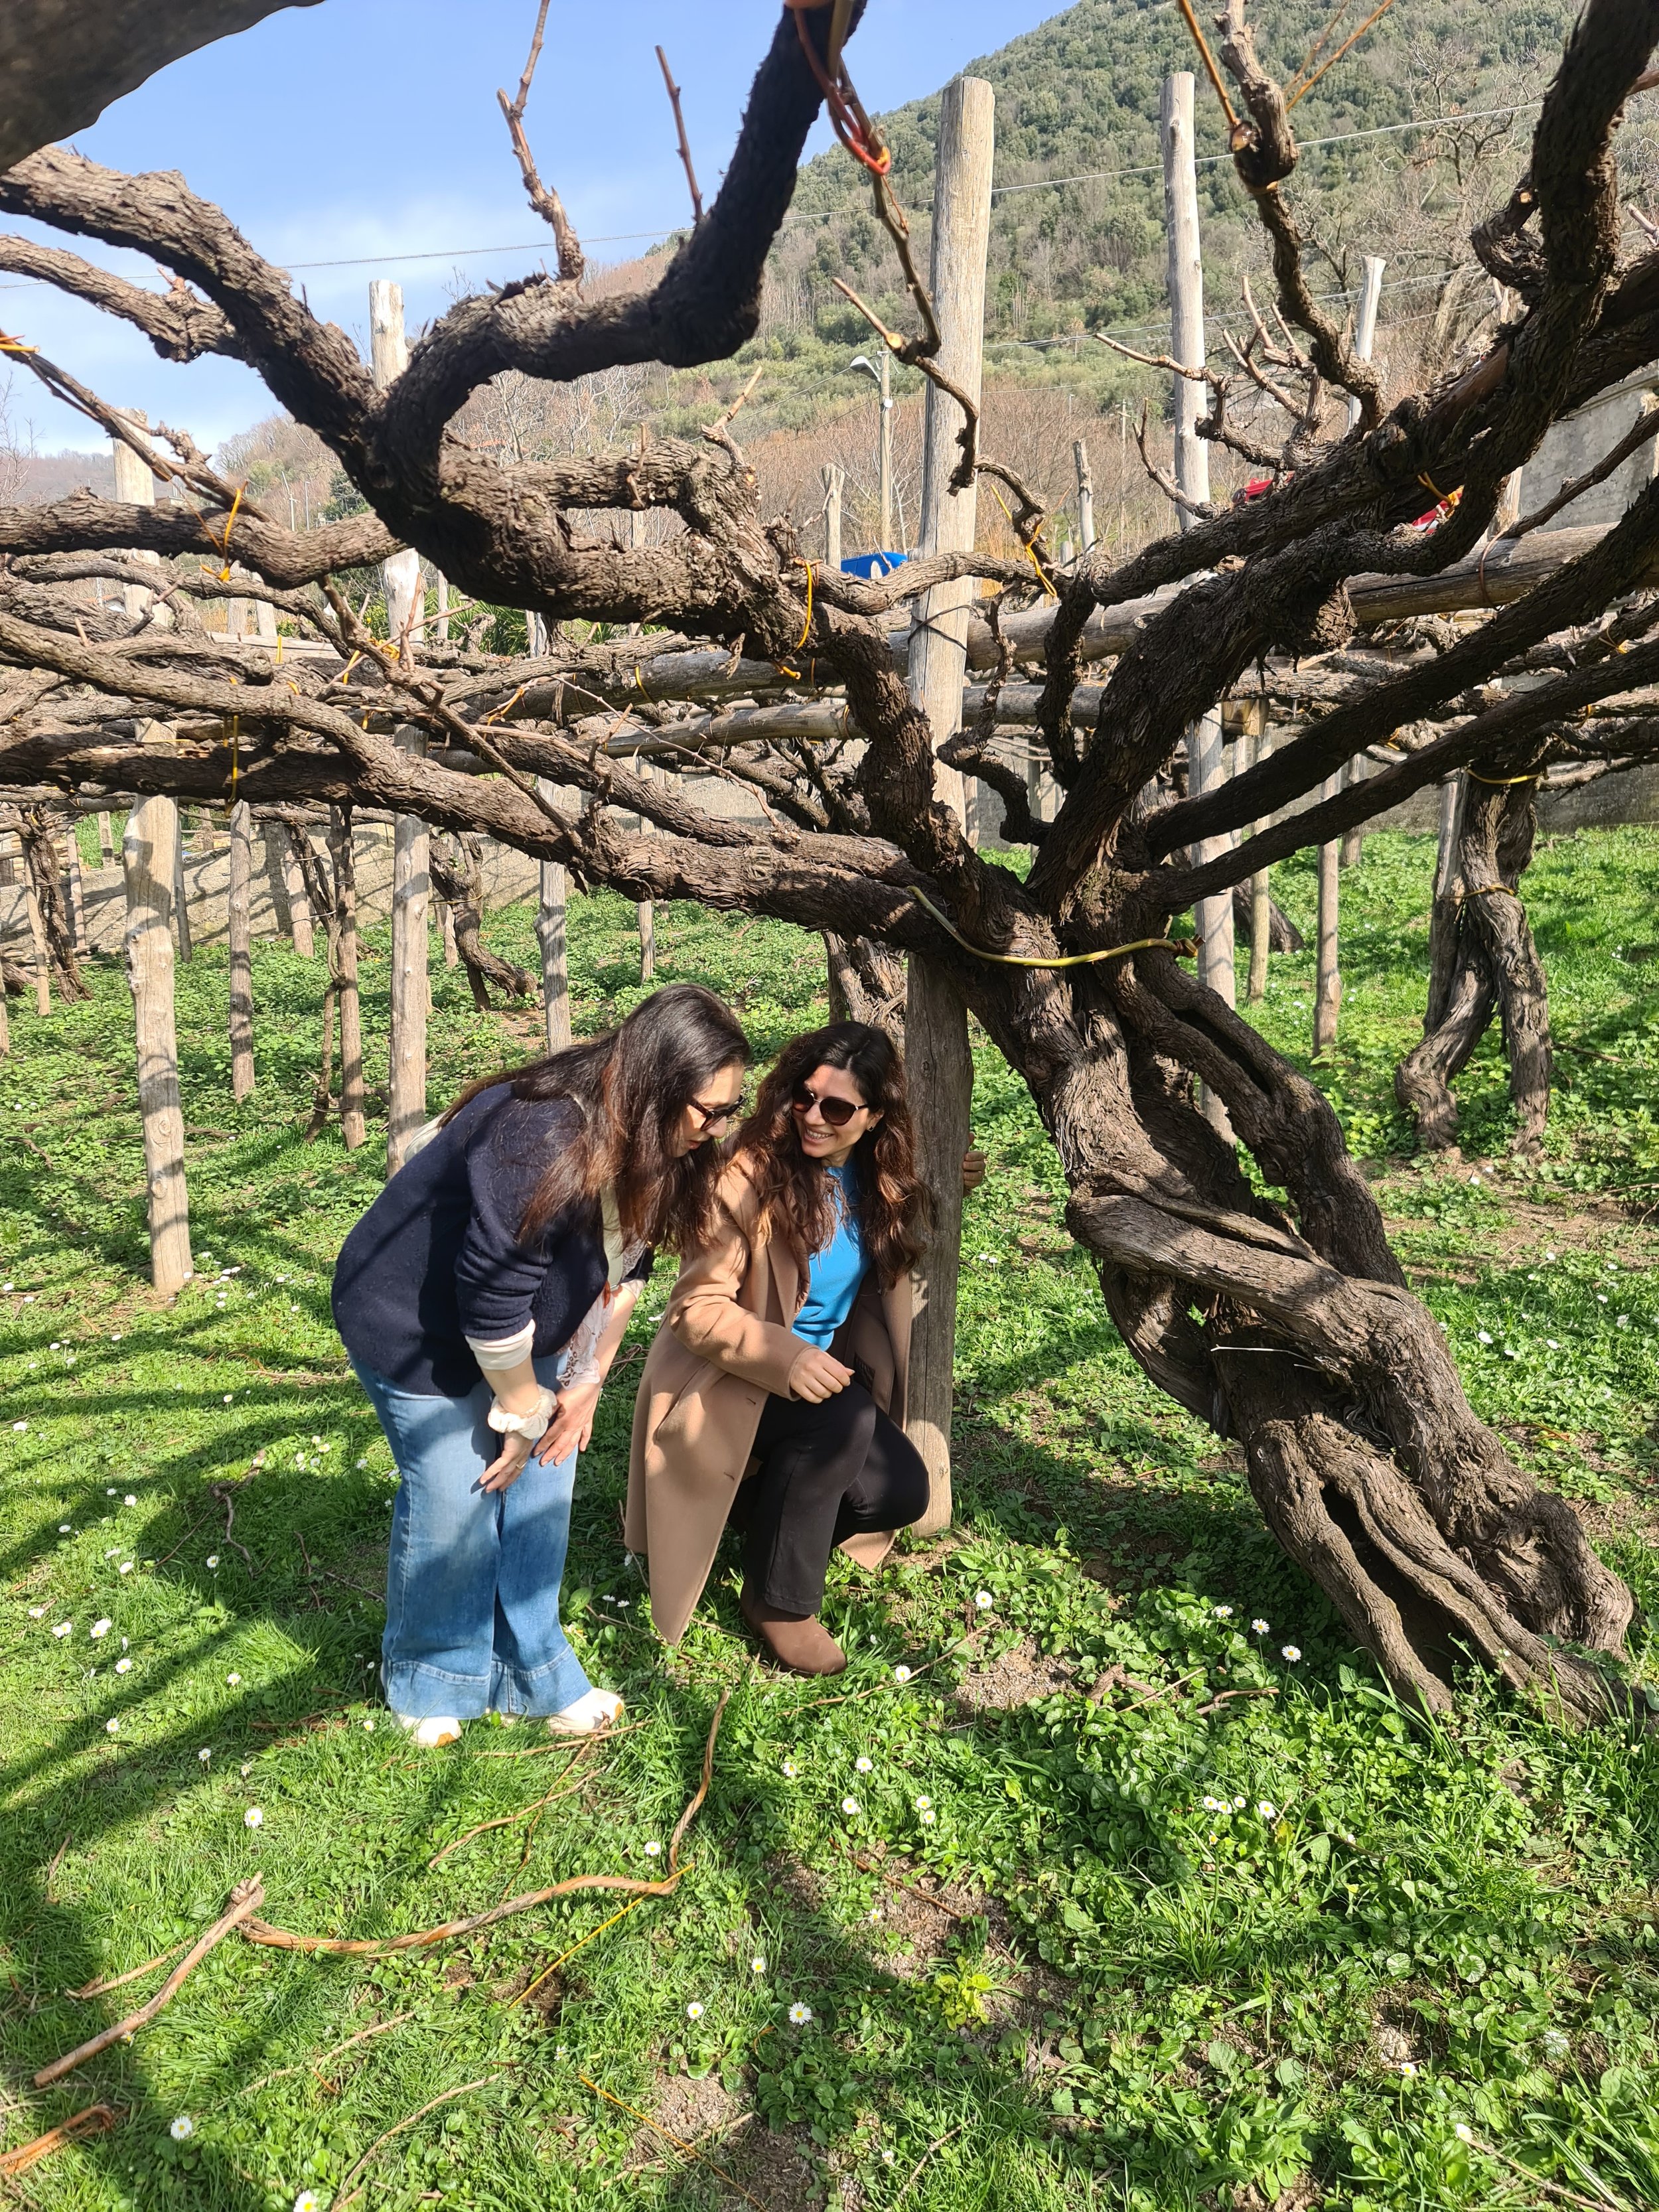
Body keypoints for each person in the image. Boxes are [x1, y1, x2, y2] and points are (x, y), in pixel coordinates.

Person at [332, 985, 750, 1745]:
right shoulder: (541, 1131)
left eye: (733, 1109)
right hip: (413, 1325)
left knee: (542, 1486)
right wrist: (522, 1412)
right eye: (708, 1110)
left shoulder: (668, 1142)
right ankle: (432, 1678)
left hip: (525, 1333)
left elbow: (627, 1269)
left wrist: (585, 1383)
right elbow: (491, 1303)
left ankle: (532, 1677)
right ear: (656, 1086)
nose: (720, 1129)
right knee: (459, 1493)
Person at [627, 1020, 981, 1677]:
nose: (814, 1118)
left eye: (838, 1108)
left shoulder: (879, 1175)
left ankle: (750, 1520)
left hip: (815, 1373)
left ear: (874, 1118)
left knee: (900, 1493)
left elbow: (908, 1211)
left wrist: (952, 1183)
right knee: (838, 1417)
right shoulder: (748, 1175)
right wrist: (785, 1358)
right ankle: (778, 1603)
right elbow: (694, 1309)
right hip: (731, 1374)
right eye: (805, 1097)